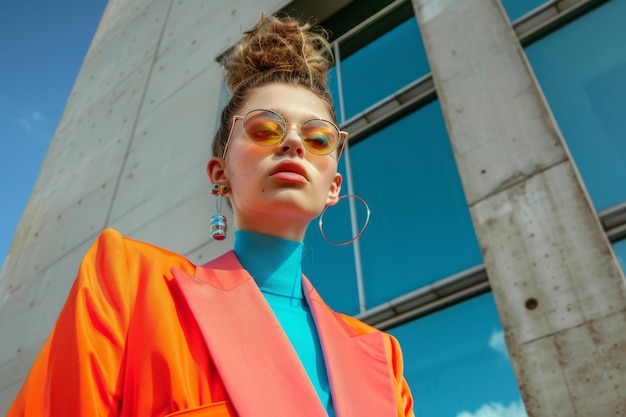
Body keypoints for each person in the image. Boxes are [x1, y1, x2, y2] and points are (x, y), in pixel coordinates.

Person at [7, 13, 414, 417]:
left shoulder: (383, 358)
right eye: (264, 129)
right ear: (220, 174)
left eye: (317, 137)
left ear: (334, 187)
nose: (293, 142)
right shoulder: (132, 288)